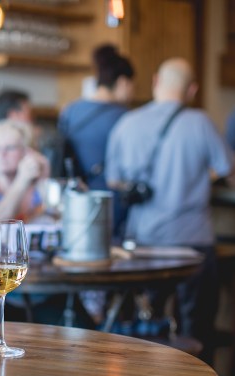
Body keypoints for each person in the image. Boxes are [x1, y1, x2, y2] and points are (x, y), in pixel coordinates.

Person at [105, 58, 234, 362]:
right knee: (196, 323)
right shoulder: (200, 122)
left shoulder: (127, 123)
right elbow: (228, 169)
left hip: (142, 243)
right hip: (192, 242)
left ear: (154, 82)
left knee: (147, 324)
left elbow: (113, 179)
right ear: (192, 90)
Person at [0, 120, 70, 323]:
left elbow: (65, 231)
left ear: (27, 152)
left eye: (10, 148)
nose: (2, 154)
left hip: (42, 290)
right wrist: (22, 181)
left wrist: (44, 179)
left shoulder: (42, 193)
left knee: (78, 327)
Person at [58, 43, 135, 239]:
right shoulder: (125, 118)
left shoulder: (70, 110)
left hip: (76, 199)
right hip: (112, 201)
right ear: (123, 82)